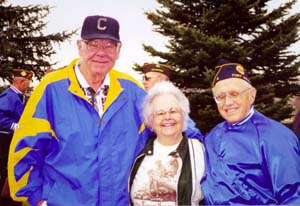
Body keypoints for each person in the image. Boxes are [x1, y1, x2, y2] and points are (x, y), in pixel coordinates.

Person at [7, 15, 150, 206]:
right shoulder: (51, 88)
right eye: (93, 44)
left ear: (118, 50)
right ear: (80, 46)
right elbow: (25, 148)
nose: (101, 52)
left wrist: (193, 138)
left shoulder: (131, 89)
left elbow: (170, 120)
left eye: (109, 45)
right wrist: (36, 199)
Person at [201, 59, 300, 204]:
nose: (227, 102)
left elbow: (293, 196)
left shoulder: (275, 137)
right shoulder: (212, 137)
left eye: (234, 94)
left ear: (252, 95)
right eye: (221, 97)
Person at [128, 81, 205, 205]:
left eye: (173, 111)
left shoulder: (200, 151)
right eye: (160, 113)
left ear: (183, 115)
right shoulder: (137, 152)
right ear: (151, 121)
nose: (167, 117)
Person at [141, 63, 204, 141]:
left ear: (160, 80)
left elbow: (192, 132)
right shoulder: (147, 101)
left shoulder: (170, 100)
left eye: (147, 78)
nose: (143, 82)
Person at [0, 68, 33, 205]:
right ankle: (5, 197)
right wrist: (13, 125)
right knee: (6, 168)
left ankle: (9, 196)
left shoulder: (18, 96)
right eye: (27, 83)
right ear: (20, 81)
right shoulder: (9, 96)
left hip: (11, 138)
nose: (28, 86)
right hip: (5, 138)